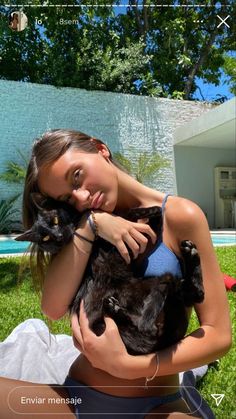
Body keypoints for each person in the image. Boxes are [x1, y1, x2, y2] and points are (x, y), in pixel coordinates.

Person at [0, 129, 231, 418]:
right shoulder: (81, 227)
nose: (82, 197)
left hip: (155, 407)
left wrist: (131, 367)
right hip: (77, 401)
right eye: (68, 199)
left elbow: (218, 335)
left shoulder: (181, 216)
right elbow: (53, 308)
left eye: (77, 175)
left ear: (100, 148)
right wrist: (91, 225)